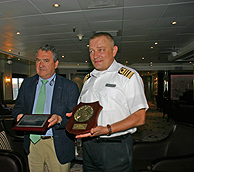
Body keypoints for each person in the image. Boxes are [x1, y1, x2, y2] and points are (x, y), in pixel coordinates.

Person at [69, 32, 149, 172]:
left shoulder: (128, 77)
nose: (95, 55)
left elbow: (139, 118)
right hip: (89, 147)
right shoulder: (89, 80)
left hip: (115, 147)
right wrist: (76, 117)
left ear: (114, 50)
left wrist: (107, 129)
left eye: (101, 49)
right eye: (92, 51)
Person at [12, 44, 79, 172]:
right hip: (33, 143)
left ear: (56, 64)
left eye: (46, 61)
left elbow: (75, 118)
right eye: (38, 60)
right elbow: (18, 107)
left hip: (56, 144)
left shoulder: (69, 87)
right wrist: (19, 115)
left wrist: (59, 119)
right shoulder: (27, 84)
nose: (41, 64)